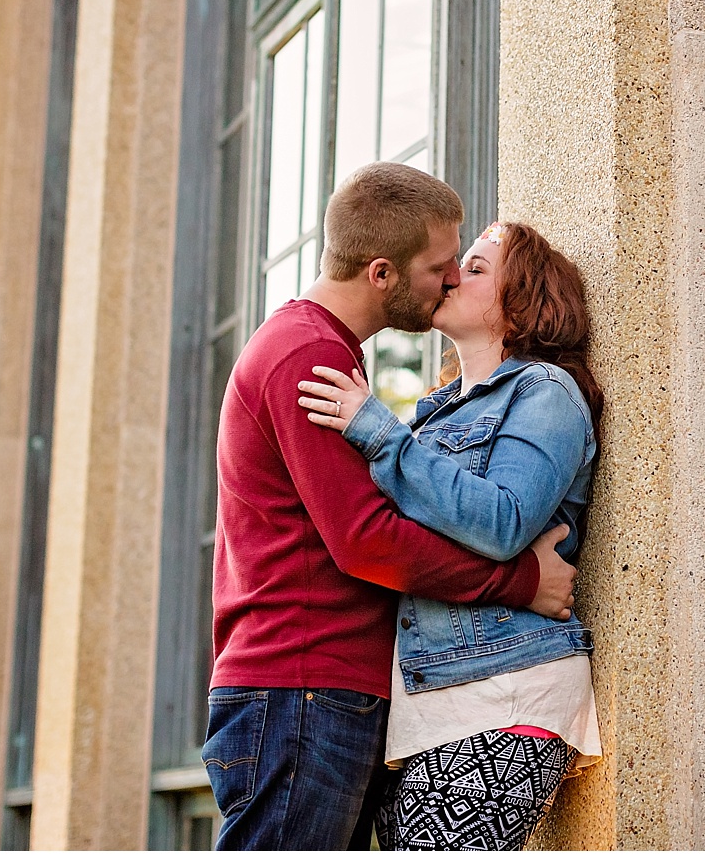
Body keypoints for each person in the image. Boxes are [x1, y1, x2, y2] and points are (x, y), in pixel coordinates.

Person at [203, 164, 577, 852]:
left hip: (313, 690)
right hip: (303, 685)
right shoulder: (309, 356)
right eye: (440, 266)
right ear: (382, 273)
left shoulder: (323, 351)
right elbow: (366, 540)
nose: (449, 280)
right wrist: (522, 582)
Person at [299, 219, 602, 851]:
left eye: (478, 266)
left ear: (523, 302)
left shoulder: (545, 391)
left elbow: (504, 521)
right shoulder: (430, 415)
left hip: (506, 688)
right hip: (424, 698)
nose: (452, 276)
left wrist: (378, 433)